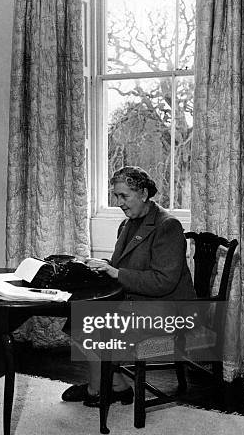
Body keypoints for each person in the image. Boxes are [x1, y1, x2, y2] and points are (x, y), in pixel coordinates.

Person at [61, 165, 196, 407]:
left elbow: (163, 282)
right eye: (116, 196)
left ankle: (99, 388)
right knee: (80, 316)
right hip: (139, 301)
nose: (119, 203)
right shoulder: (127, 224)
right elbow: (120, 266)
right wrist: (99, 266)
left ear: (143, 194)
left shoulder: (167, 226)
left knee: (93, 324)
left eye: (125, 196)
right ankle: (114, 385)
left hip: (167, 309)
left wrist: (115, 271)